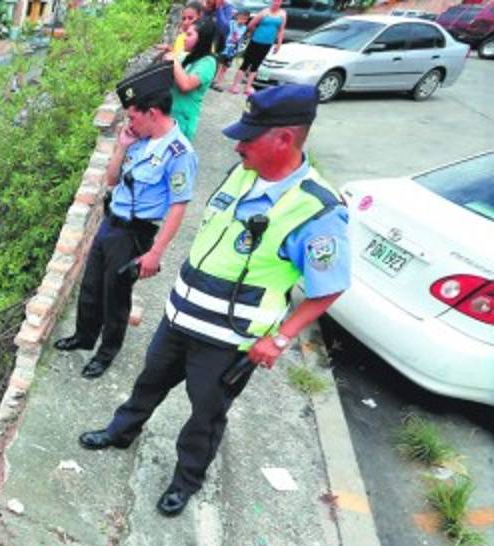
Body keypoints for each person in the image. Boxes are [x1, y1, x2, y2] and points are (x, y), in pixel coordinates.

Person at [79, 85, 350, 518]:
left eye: (250, 136)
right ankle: (121, 432)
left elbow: (330, 286)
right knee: (148, 384)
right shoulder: (241, 173)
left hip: (228, 340)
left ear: (283, 139)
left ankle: (186, 481)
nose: (239, 144)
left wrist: (279, 340)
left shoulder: (316, 210)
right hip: (179, 318)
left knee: (205, 415)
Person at [53, 64, 197, 380]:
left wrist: (155, 253)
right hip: (111, 222)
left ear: (153, 113)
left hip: (135, 233)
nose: (130, 122)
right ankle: (84, 336)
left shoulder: (179, 153)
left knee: (116, 297)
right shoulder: (139, 140)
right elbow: (112, 179)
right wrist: (122, 146)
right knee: (91, 286)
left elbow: (178, 207)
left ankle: (106, 354)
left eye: (133, 116)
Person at [170, 17, 219, 140]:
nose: (185, 38)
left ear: (202, 39)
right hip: (172, 116)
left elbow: (186, 85)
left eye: (190, 35)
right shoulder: (190, 57)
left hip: (183, 121)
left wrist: (173, 61)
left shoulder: (208, 62)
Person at [230, 0, 284, 95]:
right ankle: (235, 85)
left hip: (268, 43)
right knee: (246, 63)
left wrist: (279, 44)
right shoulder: (264, 12)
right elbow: (251, 25)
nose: (276, 2)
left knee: (256, 65)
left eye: (279, 1)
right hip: (256, 41)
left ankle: (248, 87)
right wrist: (256, 32)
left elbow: (281, 30)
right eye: (275, 0)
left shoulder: (283, 14)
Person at [213, 10, 251, 91]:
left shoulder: (244, 28)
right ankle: (213, 80)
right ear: (237, 16)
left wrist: (239, 49)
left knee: (225, 67)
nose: (242, 21)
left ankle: (218, 83)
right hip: (224, 48)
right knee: (218, 64)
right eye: (241, 18)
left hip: (233, 51)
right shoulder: (231, 23)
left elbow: (242, 40)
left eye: (245, 19)